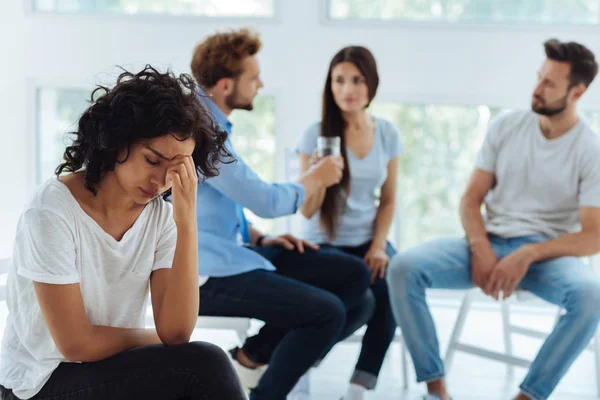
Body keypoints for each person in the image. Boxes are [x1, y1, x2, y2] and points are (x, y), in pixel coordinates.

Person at [0, 66, 246, 400]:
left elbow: (176, 330)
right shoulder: (52, 210)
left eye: (176, 167)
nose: (161, 182)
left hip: (108, 367)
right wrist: (152, 337)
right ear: (117, 143)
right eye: (152, 160)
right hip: (39, 384)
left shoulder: (160, 217)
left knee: (203, 365)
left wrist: (186, 221)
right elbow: (75, 344)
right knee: (204, 364)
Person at [387, 39, 600, 400]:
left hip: (546, 257)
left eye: (549, 84)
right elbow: (471, 200)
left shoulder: (589, 149)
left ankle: (528, 396)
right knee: (403, 268)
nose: (536, 89)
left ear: (577, 92)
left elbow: (594, 236)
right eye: (538, 78)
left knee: (591, 296)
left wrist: (529, 253)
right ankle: (436, 390)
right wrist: (481, 246)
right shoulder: (506, 127)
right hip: (489, 241)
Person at [189, 29, 373, 400]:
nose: (260, 84)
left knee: (357, 281)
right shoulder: (201, 130)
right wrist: (313, 179)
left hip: (236, 251)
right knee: (328, 312)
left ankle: (249, 359)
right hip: (205, 275)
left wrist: (259, 237)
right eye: (253, 77)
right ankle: (263, 391)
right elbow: (267, 201)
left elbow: (211, 204)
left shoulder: (211, 121)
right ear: (226, 85)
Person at [296, 45, 402, 400]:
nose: (347, 89)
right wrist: (316, 178)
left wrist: (378, 246)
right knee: (356, 301)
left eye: (356, 80)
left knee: (391, 288)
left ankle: (358, 388)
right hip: (322, 246)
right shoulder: (316, 135)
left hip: (365, 240)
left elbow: (388, 201)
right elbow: (306, 212)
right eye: (339, 80)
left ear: (371, 84)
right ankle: (301, 359)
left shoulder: (387, 134)